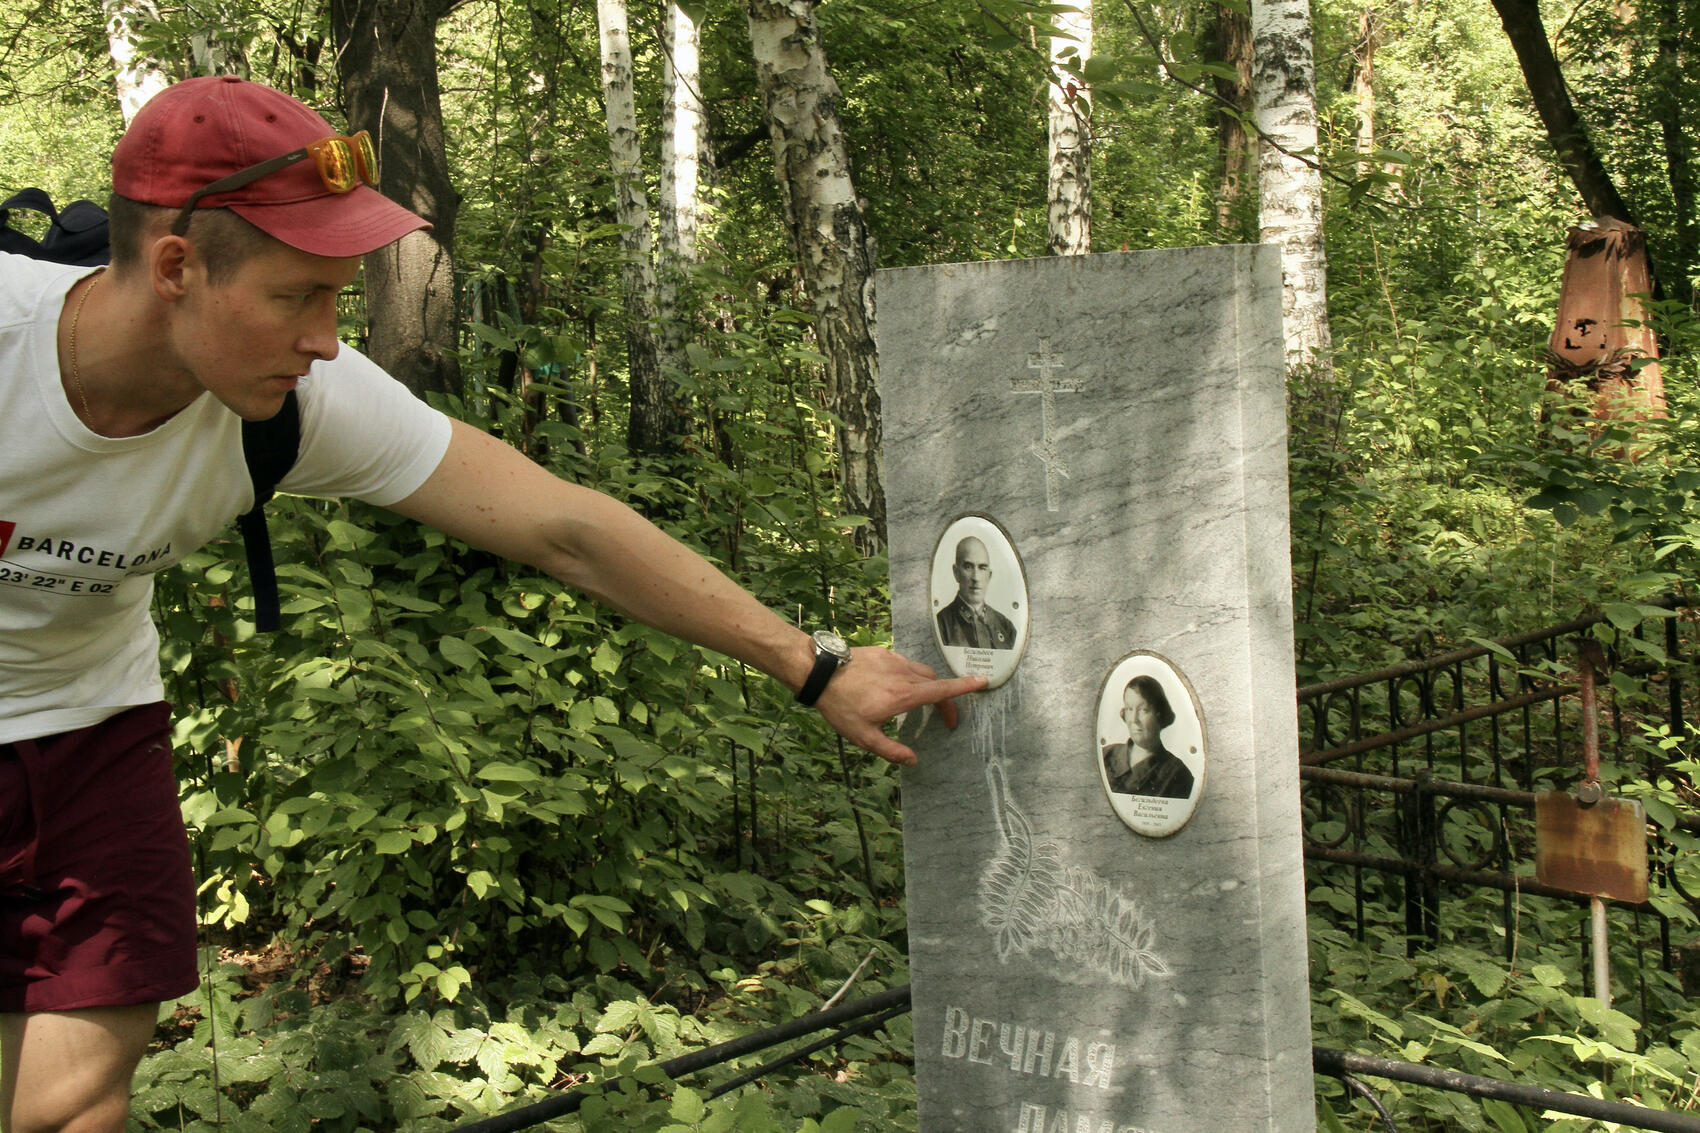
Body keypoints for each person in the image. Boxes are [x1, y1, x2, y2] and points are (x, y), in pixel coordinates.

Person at [0, 75, 982, 1133]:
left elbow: (564, 524)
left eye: (337, 295)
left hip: (93, 729)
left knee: (70, 1107)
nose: (328, 339)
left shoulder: (306, 401)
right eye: (298, 296)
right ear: (177, 267)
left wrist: (815, 663)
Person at [1102, 675, 1193, 800]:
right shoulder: (1106, 754)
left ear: (1159, 714)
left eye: (1143, 710)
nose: (1133, 719)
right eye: (1129, 709)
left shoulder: (1178, 774)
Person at [935, 536, 1016, 649]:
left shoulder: (1006, 627)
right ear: (956, 573)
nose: (976, 578)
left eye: (982, 568)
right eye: (968, 567)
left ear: (989, 575)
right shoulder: (941, 625)